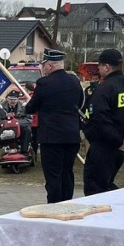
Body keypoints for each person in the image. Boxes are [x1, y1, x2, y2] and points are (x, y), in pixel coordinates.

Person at [25, 48, 84, 203]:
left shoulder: (44, 83)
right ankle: (68, 202)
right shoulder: (75, 81)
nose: (43, 68)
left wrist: (28, 103)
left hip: (52, 138)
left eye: (44, 65)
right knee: (67, 173)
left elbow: (31, 108)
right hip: (71, 136)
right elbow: (80, 104)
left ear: (49, 66)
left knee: (53, 176)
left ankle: (54, 206)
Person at [83, 49, 124, 196]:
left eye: (100, 66)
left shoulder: (104, 89)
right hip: (121, 147)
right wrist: (122, 141)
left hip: (104, 146)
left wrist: (117, 140)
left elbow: (101, 120)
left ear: (107, 67)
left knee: (95, 190)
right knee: (107, 185)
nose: (99, 70)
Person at [0, 90, 31, 157]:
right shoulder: (0, 107)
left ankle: (24, 151)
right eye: (10, 99)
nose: (12, 101)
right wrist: (6, 123)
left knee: (26, 130)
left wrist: (16, 123)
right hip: (5, 128)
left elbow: (29, 119)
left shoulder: (23, 106)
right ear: (7, 98)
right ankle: (4, 148)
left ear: (18, 99)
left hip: (20, 126)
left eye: (14, 99)